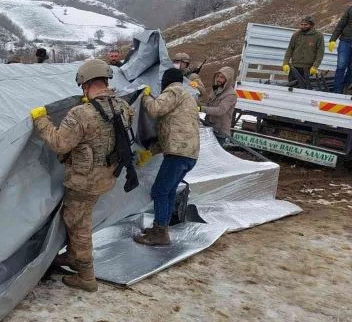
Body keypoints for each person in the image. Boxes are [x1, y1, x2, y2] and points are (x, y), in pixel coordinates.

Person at [29, 59, 132, 291]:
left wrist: (41, 120)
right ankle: (74, 257)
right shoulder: (122, 107)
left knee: (79, 225)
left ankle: (86, 276)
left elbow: (59, 144)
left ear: (85, 84)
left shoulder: (81, 114)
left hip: (82, 182)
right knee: (81, 219)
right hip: (106, 176)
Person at [134, 68, 200, 246]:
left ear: (167, 81)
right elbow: (172, 131)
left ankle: (160, 232)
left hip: (178, 154)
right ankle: (161, 228)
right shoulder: (186, 97)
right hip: (188, 154)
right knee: (169, 191)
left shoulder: (174, 90)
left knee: (159, 191)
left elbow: (155, 109)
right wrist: (151, 152)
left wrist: (145, 95)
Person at [282, 16, 325, 89]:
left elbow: (320, 53)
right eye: (301, 24)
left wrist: (315, 66)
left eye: (305, 25)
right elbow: (290, 49)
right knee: (291, 88)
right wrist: (285, 63)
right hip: (295, 67)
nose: (303, 26)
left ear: (311, 25)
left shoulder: (318, 36)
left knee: (305, 89)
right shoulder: (296, 34)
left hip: (308, 69)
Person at [199, 66, 238, 143]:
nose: (218, 79)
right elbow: (208, 105)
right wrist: (195, 102)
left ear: (228, 80)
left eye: (222, 77)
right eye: (218, 76)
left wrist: (200, 108)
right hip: (209, 127)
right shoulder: (216, 90)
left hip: (219, 132)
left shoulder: (230, 95)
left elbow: (220, 110)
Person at [328, 4, 352, 94]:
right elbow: (341, 25)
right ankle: (337, 91)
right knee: (341, 66)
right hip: (345, 41)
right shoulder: (350, 9)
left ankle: (346, 89)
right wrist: (333, 39)